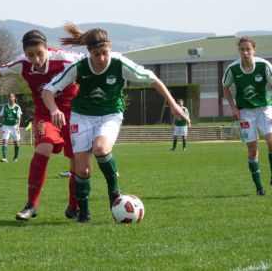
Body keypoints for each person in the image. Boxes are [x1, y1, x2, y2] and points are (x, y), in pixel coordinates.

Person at [42, 22, 190, 223]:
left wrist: (173, 104)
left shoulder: (120, 63)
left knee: (101, 149)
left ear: (110, 49)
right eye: (96, 54)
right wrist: (54, 109)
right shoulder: (79, 67)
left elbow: (152, 78)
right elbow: (48, 90)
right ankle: (84, 214)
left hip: (110, 113)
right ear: (89, 53)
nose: (101, 58)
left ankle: (114, 192)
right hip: (82, 115)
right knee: (82, 169)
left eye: (105, 53)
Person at [0, 30, 84, 220]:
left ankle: (74, 205)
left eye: (39, 53)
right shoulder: (22, 63)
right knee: (43, 148)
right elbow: (1, 70)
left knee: (76, 161)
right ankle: (31, 205)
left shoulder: (65, 59)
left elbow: (90, 62)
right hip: (45, 113)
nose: (36, 59)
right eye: (30, 55)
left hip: (74, 113)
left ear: (47, 48)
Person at [222, 35, 272, 196]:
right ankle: (259, 188)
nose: (245, 52)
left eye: (248, 49)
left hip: (264, 109)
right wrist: (233, 108)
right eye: (242, 49)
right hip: (245, 112)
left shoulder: (264, 65)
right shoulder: (233, 69)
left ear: (254, 50)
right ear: (239, 51)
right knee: (252, 150)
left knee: (271, 142)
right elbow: (225, 87)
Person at [0, 92, 22, 163]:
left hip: (14, 126)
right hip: (6, 126)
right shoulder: (5, 106)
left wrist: (18, 127)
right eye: (9, 97)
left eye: (12, 97)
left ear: (14, 98)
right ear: (8, 98)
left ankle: (15, 157)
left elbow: (19, 117)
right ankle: (4, 158)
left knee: (16, 142)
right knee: (4, 141)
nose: (11, 98)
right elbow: (1, 116)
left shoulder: (17, 107)